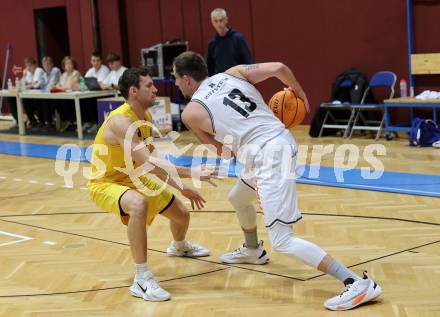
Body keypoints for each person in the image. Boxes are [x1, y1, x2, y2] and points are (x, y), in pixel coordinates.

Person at [173, 51, 383, 311]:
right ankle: (253, 250)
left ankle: (355, 283)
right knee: (238, 197)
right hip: (277, 143)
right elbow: (279, 67)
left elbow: (224, 152)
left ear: (187, 78)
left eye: (175, 79)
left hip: (267, 157)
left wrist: (240, 141)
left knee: (283, 240)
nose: (175, 84)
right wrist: (299, 91)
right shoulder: (233, 73)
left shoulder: (191, 112)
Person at [87, 67, 216, 302]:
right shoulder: (120, 122)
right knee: (138, 204)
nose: (156, 89)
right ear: (134, 91)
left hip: (134, 176)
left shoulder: (144, 118)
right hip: (105, 182)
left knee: (182, 216)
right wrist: (190, 174)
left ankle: (178, 246)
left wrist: (180, 186)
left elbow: (155, 160)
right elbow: (150, 163)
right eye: (149, 86)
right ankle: (142, 278)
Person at [206, 8, 253, 76]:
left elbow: (247, 62)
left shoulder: (238, 38)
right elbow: (210, 67)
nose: (218, 24)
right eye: (215, 21)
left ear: (226, 19)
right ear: (212, 22)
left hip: (238, 79)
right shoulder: (212, 43)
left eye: (221, 20)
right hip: (221, 81)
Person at [84, 51, 110, 133]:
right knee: (84, 101)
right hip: (92, 94)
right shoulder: (90, 71)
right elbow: (85, 82)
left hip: (104, 94)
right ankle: (89, 122)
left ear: (101, 61)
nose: (95, 62)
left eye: (97, 60)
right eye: (93, 60)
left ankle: (96, 123)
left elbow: (100, 84)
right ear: (91, 61)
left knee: (91, 101)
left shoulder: (104, 69)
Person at [54, 56, 81, 131]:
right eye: (66, 64)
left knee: (65, 103)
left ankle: (72, 122)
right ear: (64, 66)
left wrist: (62, 87)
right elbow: (58, 85)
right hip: (64, 96)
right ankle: (66, 121)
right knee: (56, 102)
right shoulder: (63, 75)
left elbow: (71, 85)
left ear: (73, 65)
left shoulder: (76, 73)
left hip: (73, 97)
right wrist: (59, 87)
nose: (68, 66)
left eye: (70, 64)